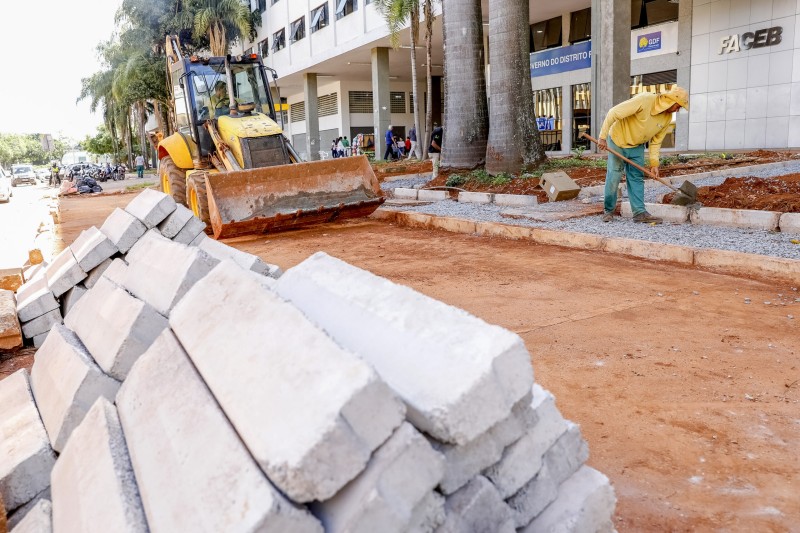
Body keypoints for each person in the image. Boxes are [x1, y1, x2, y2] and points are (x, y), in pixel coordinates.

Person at [597, 86, 689, 224]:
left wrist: (654, 164)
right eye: (678, 106)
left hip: (637, 146)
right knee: (614, 176)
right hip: (618, 141)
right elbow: (613, 113)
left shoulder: (667, 118)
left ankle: (639, 213)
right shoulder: (645, 100)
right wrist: (602, 137)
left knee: (636, 177)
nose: (677, 110)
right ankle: (608, 211)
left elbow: (656, 143)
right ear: (671, 101)